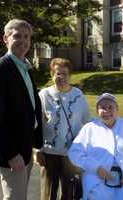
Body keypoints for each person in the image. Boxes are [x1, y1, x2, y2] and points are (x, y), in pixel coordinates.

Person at [0, 19, 43, 200]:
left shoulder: (25, 68)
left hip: (26, 147)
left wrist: (36, 145)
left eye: (26, 37)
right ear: (5, 39)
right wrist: (11, 154)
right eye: (17, 36)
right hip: (13, 152)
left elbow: (30, 107)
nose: (23, 41)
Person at [68, 93, 123, 200]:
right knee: (99, 196)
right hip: (97, 178)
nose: (107, 111)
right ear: (97, 111)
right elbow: (75, 152)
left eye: (110, 107)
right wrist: (95, 168)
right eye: (102, 108)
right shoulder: (90, 128)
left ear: (117, 109)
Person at [36, 58, 91, 200]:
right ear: (52, 75)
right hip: (49, 153)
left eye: (65, 74)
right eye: (57, 73)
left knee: (69, 192)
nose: (61, 77)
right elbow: (37, 125)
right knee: (48, 194)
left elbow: (88, 123)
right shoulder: (43, 95)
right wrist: (37, 150)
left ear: (70, 75)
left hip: (72, 153)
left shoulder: (78, 95)